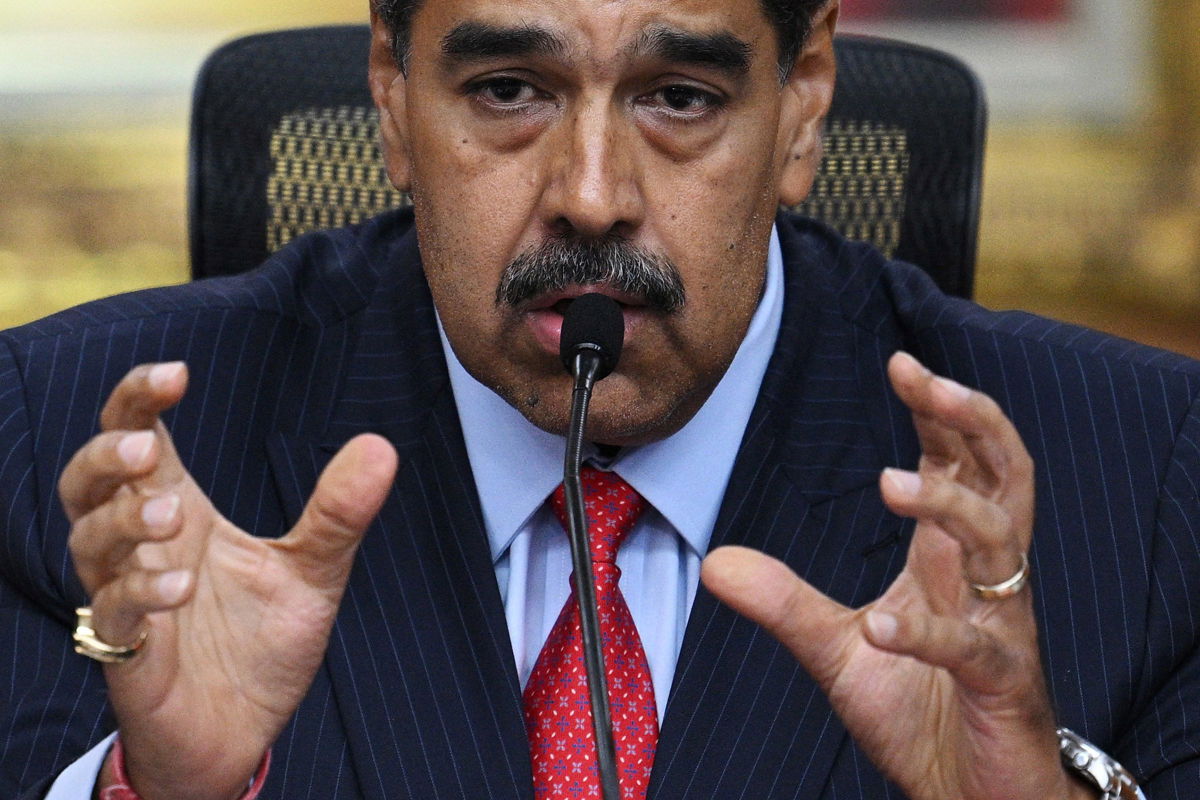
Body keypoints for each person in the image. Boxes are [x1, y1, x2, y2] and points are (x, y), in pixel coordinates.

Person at [1, 0, 1197, 798]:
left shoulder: (1150, 488)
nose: (590, 195)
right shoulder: (71, 459)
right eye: (510, 88)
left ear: (806, 102)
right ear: (390, 99)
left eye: (679, 97)